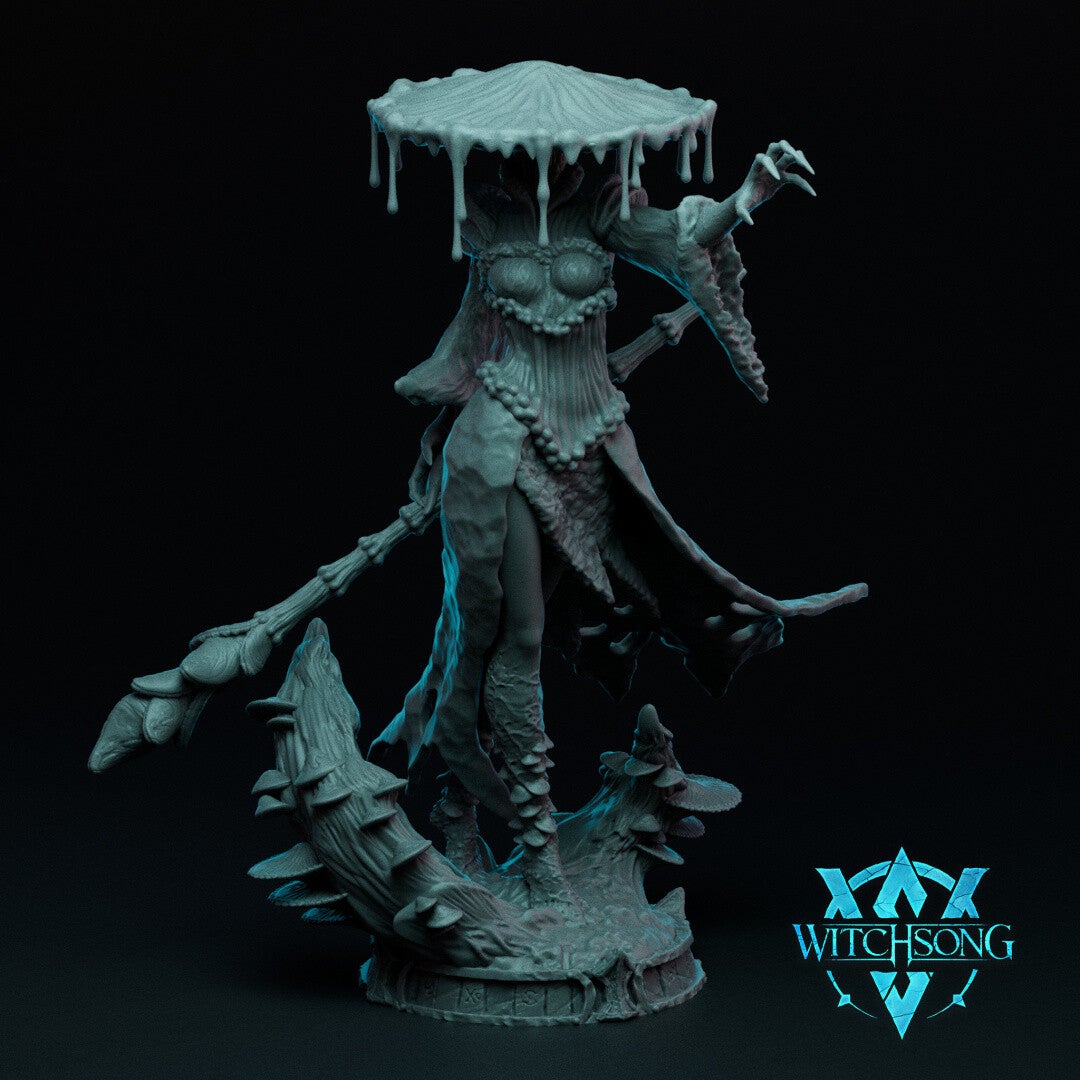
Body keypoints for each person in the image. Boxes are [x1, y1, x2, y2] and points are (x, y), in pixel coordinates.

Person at [369, 143, 866, 901]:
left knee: (531, 627)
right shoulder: (488, 219)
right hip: (499, 436)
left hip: (589, 445)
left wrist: (747, 195)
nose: (540, 155)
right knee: (509, 632)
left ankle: (462, 810)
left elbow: (679, 238)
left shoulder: (603, 212)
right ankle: (529, 846)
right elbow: (471, 333)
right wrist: (436, 412)